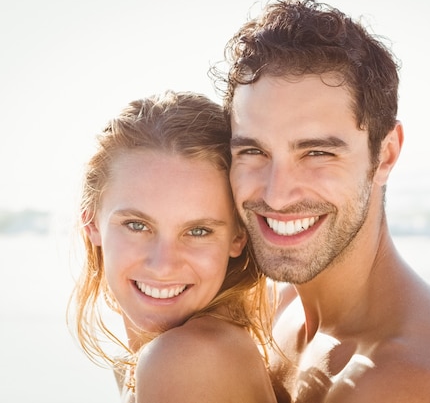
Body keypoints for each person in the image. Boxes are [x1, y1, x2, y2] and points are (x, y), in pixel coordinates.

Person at [211, 0, 430, 403]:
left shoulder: (402, 378)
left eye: (316, 153)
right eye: (253, 151)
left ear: (385, 155)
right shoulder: (283, 308)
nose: (276, 194)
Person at [67, 90, 277, 403]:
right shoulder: (147, 360)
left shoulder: (184, 359)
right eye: (137, 225)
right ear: (92, 224)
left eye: (198, 231)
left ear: (238, 237)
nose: (163, 264)